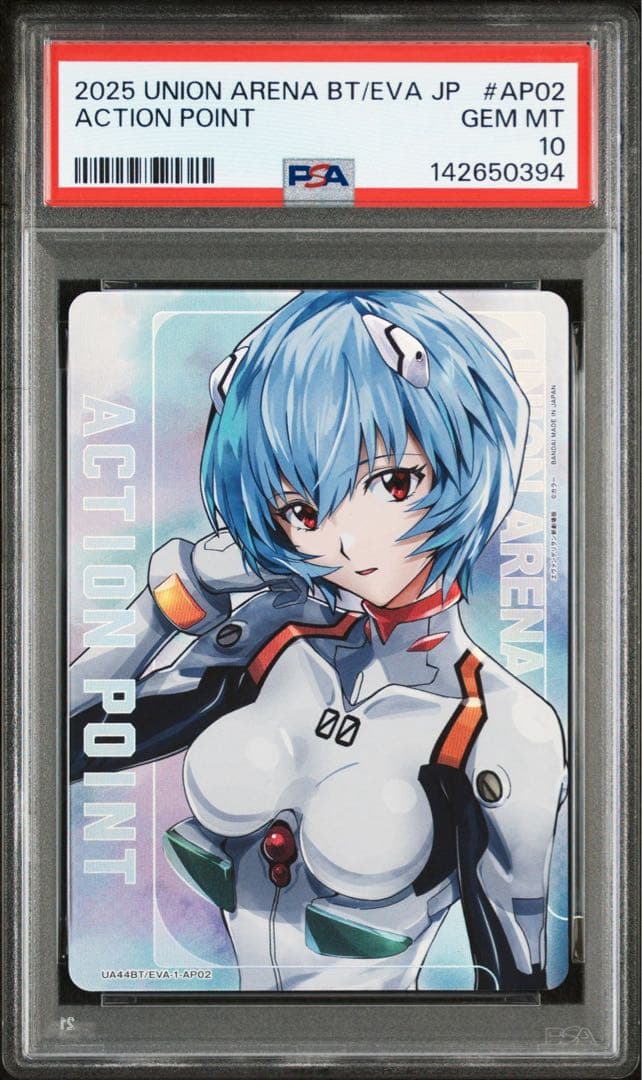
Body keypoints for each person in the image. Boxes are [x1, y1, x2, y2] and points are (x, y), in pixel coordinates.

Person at [70, 289, 567, 992]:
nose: (344, 540)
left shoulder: (499, 727)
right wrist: (173, 597)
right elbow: (61, 739)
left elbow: (523, 985)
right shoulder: (275, 638)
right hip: (207, 1038)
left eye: (394, 481)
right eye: (300, 509)